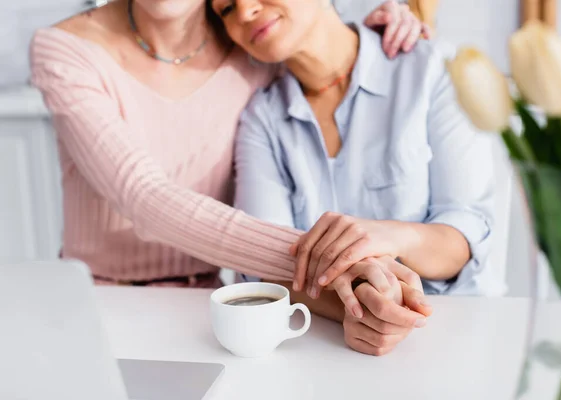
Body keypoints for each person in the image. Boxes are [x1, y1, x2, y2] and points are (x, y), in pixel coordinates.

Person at [29, 0, 432, 355]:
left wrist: (378, 29)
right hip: (94, 300)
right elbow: (143, 197)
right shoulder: (64, 49)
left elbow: (312, 31)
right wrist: (328, 258)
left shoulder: (250, 45)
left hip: (212, 305)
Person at [209, 0, 496, 351]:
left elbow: (467, 234)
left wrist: (387, 236)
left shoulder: (434, 69)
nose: (244, 12)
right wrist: (360, 307)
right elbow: (267, 261)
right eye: (225, 9)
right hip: (328, 344)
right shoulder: (261, 119)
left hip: (458, 332)